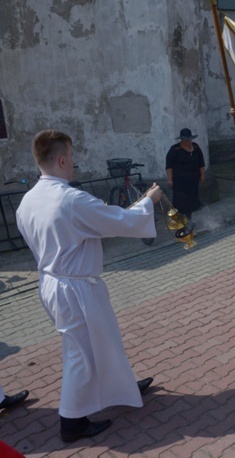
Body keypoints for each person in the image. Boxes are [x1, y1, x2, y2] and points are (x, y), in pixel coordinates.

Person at [16, 130, 162, 442]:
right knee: (80, 355)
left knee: (105, 340)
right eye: (73, 159)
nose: (74, 165)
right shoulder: (70, 199)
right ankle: (72, 422)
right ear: (63, 159)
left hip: (54, 283)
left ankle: (121, 389)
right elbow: (120, 221)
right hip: (75, 288)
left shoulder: (27, 200)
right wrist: (148, 201)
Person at [165, 128, 206, 220]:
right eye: (186, 139)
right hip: (180, 181)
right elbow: (169, 165)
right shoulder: (175, 149)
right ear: (182, 139)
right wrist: (170, 179)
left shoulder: (195, 147)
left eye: (190, 139)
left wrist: (202, 175)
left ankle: (189, 218)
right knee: (181, 201)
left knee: (191, 200)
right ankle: (180, 220)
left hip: (193, 180)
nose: (189, 141)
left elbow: (201, 163)